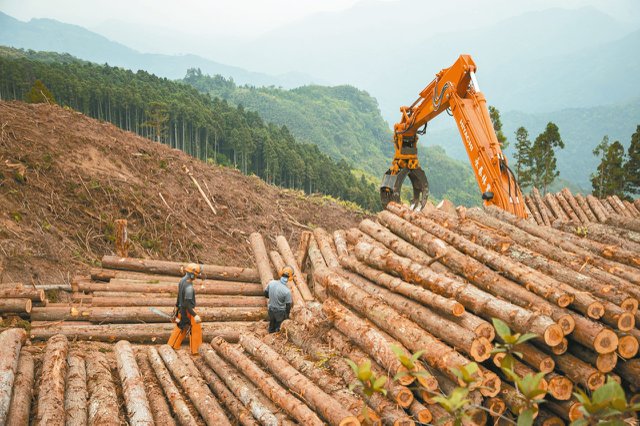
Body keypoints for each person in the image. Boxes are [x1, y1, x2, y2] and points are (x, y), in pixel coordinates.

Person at [168, 263, 203, 355]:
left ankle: (171, 345)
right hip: (187, 310)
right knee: (195, 329)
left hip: (181, 309)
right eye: (196, 275)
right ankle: (196, 350)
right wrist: (195, 315)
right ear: (193, 274)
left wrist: (176, 307)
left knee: (181, 327)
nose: (196, 277)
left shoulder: (182, 280)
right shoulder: (189, 287)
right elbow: (187, 303)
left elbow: (179, 295)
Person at [264, 266, 293, 333]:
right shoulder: (287, 291)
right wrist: (287, 316)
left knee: (271, 324)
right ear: (289, 279)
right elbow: (288, 306)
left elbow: (265, 294)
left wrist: (272, 297)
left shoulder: (271, 283)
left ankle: (270, 332)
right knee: (278, 329)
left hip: (270, 310)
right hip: (280, 312)